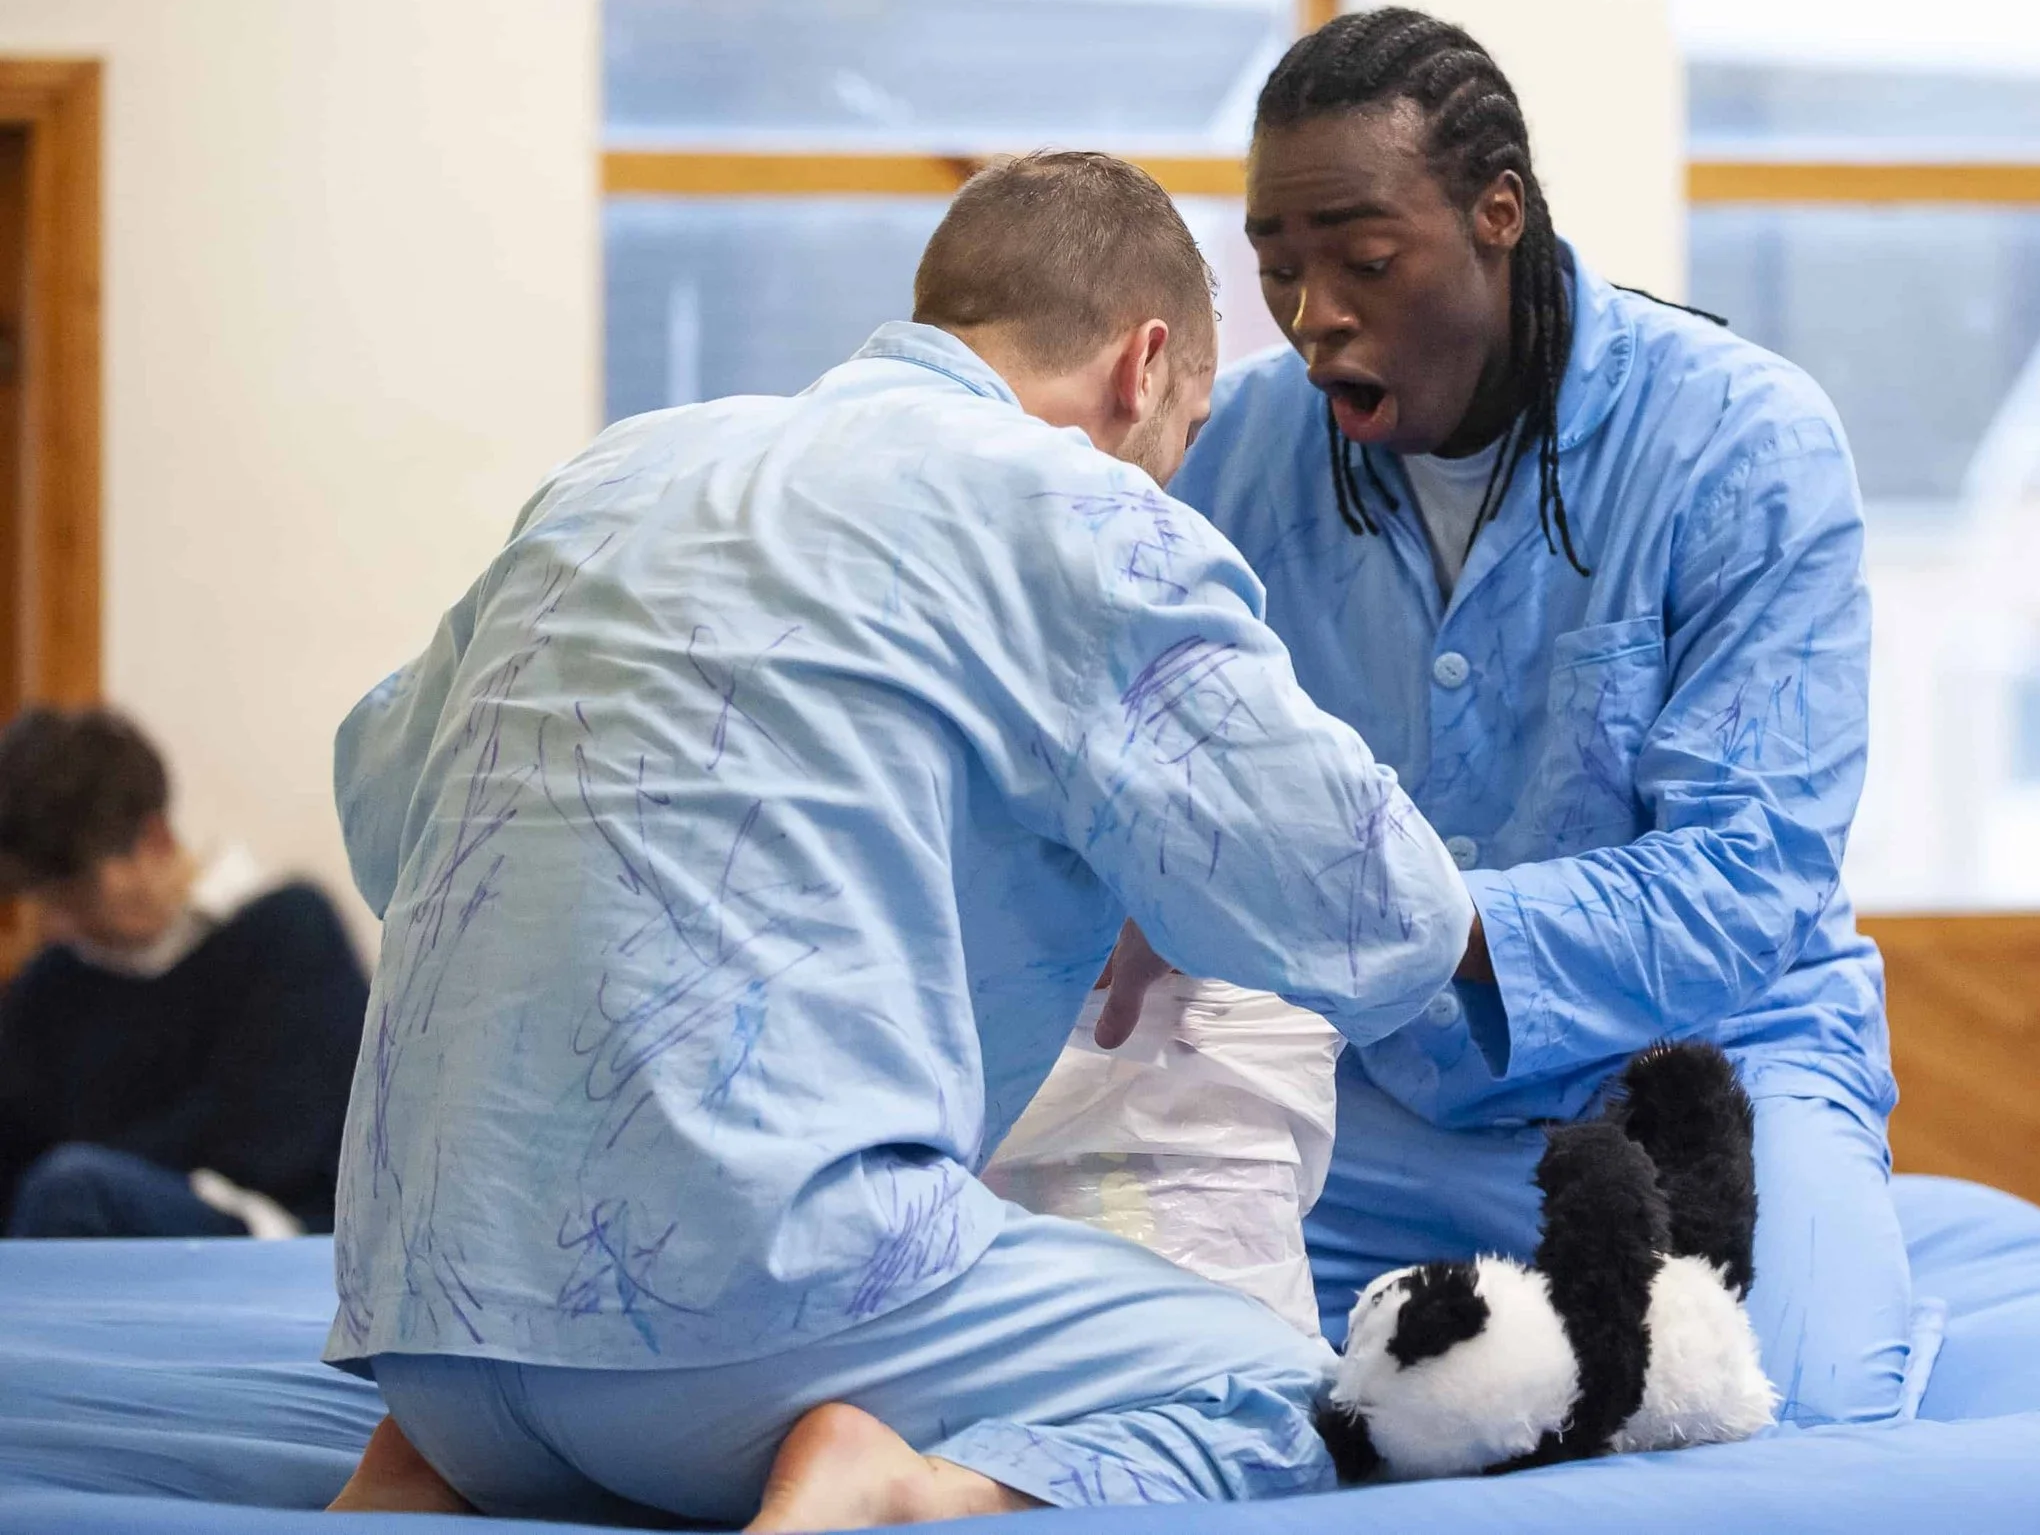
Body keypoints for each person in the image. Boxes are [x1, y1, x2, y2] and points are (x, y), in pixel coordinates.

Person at [321, 151, 1475, 1531]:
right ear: (1143, 366)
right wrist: (1161, 867)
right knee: (1320, 1395)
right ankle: (909, 1484)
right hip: (742, 1330)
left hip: (433, 1324)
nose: (1179, 465)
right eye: (1191, 425)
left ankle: (443, 1463)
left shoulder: (618, 466)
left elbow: (385, 818)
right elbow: (1379, 905)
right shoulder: (1077, 507)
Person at [1168, 8, 1924, 1428]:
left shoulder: (1745, 442)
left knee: (1794, 1413)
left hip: (1709, 1072)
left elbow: (1750, 877)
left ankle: (1860, 1262)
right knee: (1163, 1378)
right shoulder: (1236, 460)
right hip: (1385, 1091)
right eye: (1277, 269)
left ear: (1496, 213)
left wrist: (1422, 913)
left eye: (1365, 260)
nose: (1315, 310)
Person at [0, 706, 366, 1239]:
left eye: (76, 897)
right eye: (45, 902)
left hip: (267, 1236)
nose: (58, 925)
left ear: (154, 841)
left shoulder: (286, 933)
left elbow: (277, 1145)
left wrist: (96, 1161)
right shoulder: (50, 984)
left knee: (73, 1189)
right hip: (98, 1227)